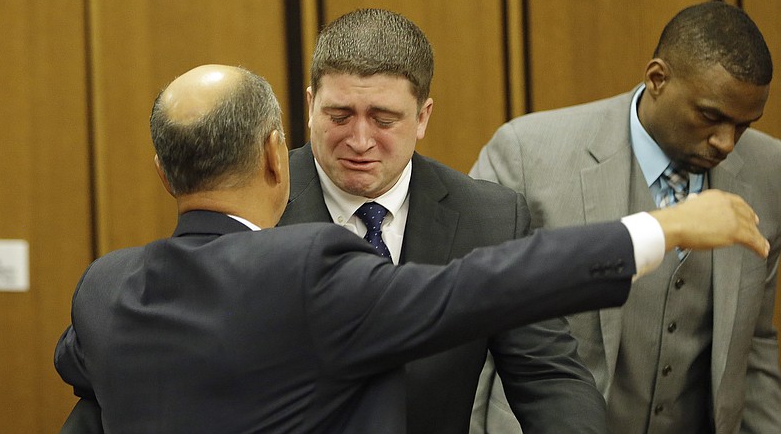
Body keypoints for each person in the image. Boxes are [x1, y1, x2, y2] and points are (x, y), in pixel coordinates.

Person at [54, 64, 767, 434]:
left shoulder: (104, 289)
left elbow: (80, 370)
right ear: (279, 153)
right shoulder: (308, 267)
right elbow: (482, 286)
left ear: (161, 172)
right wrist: (662, 228)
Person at [280, 8, 602, 433]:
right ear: (309, 105)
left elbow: (549, 377)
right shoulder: (255, 207)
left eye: (384, 120)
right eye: (339, 116)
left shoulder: (490, 220)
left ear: (423, 117)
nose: (359, 141)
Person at [470, 1, 781, 433]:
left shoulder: (770, 171)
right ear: (658, 79)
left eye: (744, 125)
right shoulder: (527, 156)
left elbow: (756, 344)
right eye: (710, 116)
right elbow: (473, 324)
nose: (726, 143)